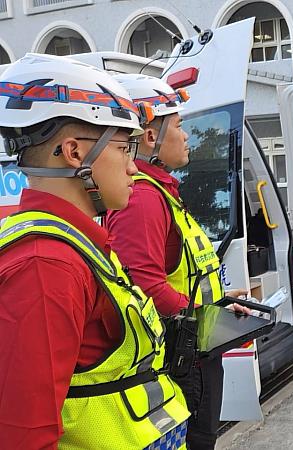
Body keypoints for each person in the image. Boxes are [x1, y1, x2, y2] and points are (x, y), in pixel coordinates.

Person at [0, 54, 189, 448]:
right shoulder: (46, 266)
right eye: (123, 149)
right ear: (74, 153)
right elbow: (24, 435)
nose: (133, 167)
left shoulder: (78, 243)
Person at [105, 74, 247, 449]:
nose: (186, 136)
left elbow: (179, 274)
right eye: (180, 126)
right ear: (150, 137)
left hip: (195, 346)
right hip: (183, 356)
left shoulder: (160, 192)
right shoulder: (143, 200)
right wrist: (207, 319)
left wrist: (217, 305)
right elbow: (144, 287)